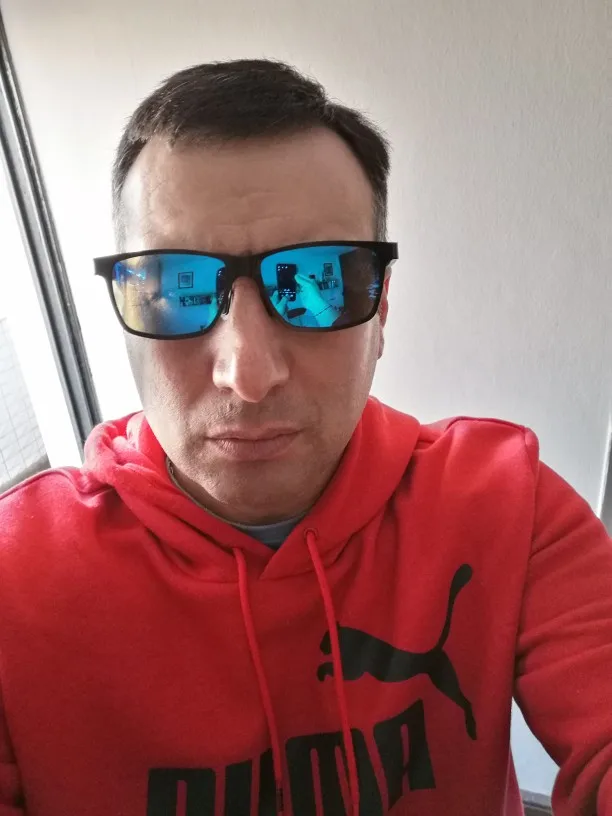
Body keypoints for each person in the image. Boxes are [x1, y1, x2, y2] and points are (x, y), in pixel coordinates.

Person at [0, 58, 610, 816]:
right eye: (179, 289)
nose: (248, 375)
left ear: (380, 311)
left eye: (318, 284)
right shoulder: (16, 577)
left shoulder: (508, 508)